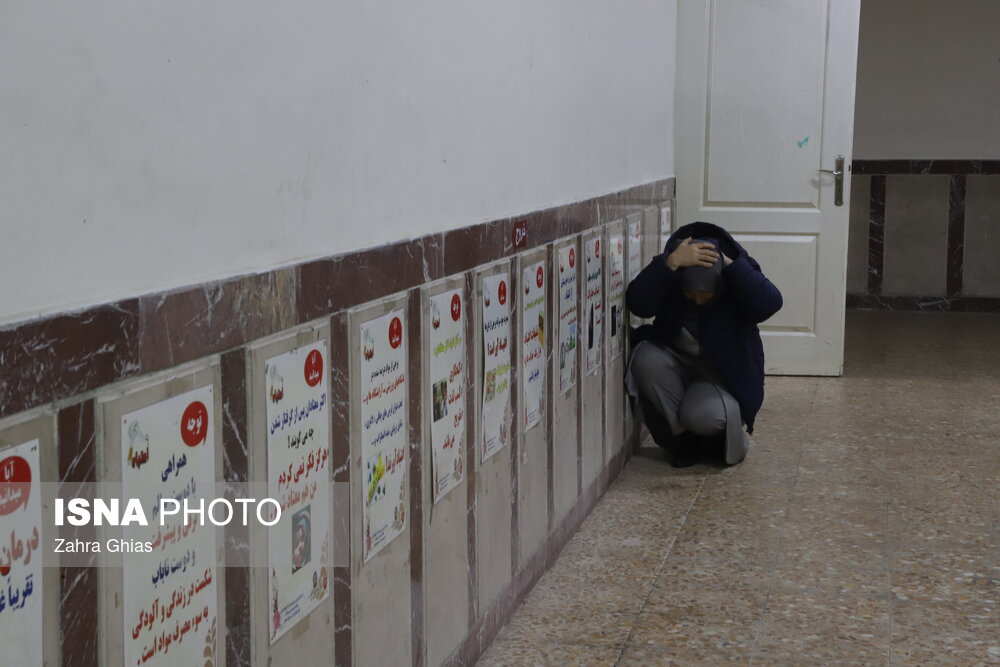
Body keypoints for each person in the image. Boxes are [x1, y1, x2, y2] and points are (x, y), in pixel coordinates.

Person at [625, 221, 782, 467]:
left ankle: (729, 440)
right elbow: (638, 303)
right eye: (691, 294)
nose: (698, 300)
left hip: (721, 375)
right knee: (644, 357)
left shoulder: (733, 275)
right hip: (678, 362)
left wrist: (730, 264)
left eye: (705, 294)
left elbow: (769, 303)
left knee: (702, 416)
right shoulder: (675, 271)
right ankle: (684, 440)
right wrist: (670, 263)